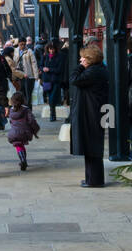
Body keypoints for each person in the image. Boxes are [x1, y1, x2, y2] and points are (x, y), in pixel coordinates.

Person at [70, 43, 109, 187]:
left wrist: (80, 68)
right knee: (90, 147)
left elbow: (74, 79)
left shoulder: (93, 72)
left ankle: (95, 180)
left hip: (92, 113)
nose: (80, 61)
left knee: (92, 147)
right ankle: (90, 178)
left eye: (83, 58)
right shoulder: (96, 70)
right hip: (92, 112)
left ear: (90, 59)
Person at [5, 91, 40, 171]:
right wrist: (35, 130)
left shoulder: (11, 110)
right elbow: (32, 121)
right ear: (23, 100)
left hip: (13, 133)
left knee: (18, 146)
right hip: (24, 132)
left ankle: (23, 160)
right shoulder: (26, 110)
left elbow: (10, 121)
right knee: (21, 145)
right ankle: (23, 160)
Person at [40, 40, 63, 121]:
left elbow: (59, 69)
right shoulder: (45, 56)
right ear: (47, 49)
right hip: (47, 80)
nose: (51, 50)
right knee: (50, 97)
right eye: (50, 49)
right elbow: (41, 65)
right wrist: (43, 68)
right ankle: (53, 114)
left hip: (55, 80)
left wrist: (49, 69)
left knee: (52, 98)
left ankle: (52, 114)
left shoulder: (59, 56)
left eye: (53, 49)